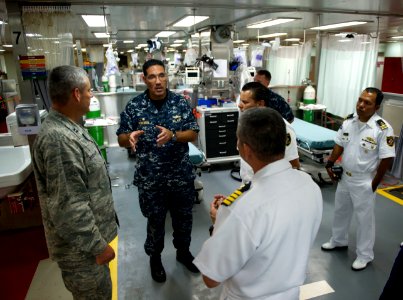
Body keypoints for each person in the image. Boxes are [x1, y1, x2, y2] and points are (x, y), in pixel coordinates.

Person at [193, 108, 323, 299]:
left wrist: (219, 224)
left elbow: (211, 278)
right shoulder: (308, 184)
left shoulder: (241, 209)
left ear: (245, 149)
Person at [32, 65, 118, 299]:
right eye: (89, 90)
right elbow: (70, 206)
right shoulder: (59, 140)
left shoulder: (69, 127)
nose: (92, 95)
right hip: (83, 253)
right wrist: (98, 248)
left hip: (87, 248)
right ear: (77, 94)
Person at [116, 59, 200, 283]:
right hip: (151, 180)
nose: (158, 81)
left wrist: (174, 135)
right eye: (152, 77)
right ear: (144, 79)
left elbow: (193, 133)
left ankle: (183, 253)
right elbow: (121, 138)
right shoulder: (135, 106)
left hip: (180, 177)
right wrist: (129, 138)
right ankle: (155, 258)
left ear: (167, 77)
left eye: (162, 75)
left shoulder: (180, 103)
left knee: (184, 219)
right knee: (155, 222)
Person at [321, 87, 396, 271]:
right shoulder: (349, 122)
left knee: (364, 220)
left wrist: (374, 184)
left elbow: (387, 159)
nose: (361, 105)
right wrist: (329, 164)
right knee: (340, 211)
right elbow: (339, 144)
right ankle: (338, 240)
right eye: (360, 100)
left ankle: (364, 255)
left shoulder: (382, 129)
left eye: (367, 102)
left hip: (365, 180)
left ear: (376, 106)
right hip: (345, 177)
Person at [238, 82, 300, 180]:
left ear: (260, 104)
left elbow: (294, 164)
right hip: (248, 184)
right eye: (240, 101)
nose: (239, 105)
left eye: (245, 102)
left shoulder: (281, 128)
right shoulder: (246, 125)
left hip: (271, 187)